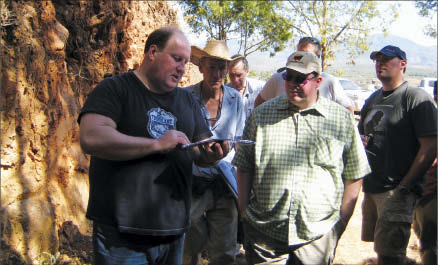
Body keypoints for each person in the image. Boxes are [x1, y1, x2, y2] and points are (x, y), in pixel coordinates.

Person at [78, 26, 229, 265]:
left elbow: (200, 149)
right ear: (152, 52)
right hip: (122, 236)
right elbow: (92, 137)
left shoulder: (187, 100)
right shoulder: (115, 89)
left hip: (174, 232)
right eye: (176, 58)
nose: (181, 68)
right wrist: (156, 145)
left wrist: (213, 154)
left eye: (185, 62)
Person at [233, 51, 371, 265]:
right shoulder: (261, 116)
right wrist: (244, 212)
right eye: (288, 76)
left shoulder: (340, 119)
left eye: (300, 78)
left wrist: (339, 224)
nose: (292, 83)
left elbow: (355, 175)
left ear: (318, 81)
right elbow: (244, 166)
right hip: (265, 235)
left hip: (317, 235)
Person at [358, 45, 437, 265]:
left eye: (387, 59)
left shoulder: (415, 97)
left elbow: (431, 145)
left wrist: (405, 185)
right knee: (383, 251)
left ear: (402, 64)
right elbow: (361, 135)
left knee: (390, 256)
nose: (380, 63)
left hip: (397, 190)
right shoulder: (373, 99)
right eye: (377, 60)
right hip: (373, 187)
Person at [182, 40, 245, 265]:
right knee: (189, 248)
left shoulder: (235, 99)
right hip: (193, 184)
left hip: (224, 184)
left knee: (224, 251)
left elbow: (239, 142)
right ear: (201, 67)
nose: (217, 74)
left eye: (222, 68)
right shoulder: (185, 97)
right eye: (212, 67)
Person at [254, 37, 354, 113]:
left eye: (300, 79)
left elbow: (348, 111)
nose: (302, 58)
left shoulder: (330, 82)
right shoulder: (277, 78)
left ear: (318, 57)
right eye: (299, 54)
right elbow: (258, 106)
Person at [226, 54, 265, 120]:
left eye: (239, 75)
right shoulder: (224, 92)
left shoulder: (260, 89)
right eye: (231, 75)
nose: (235, 80)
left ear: (247, 72)